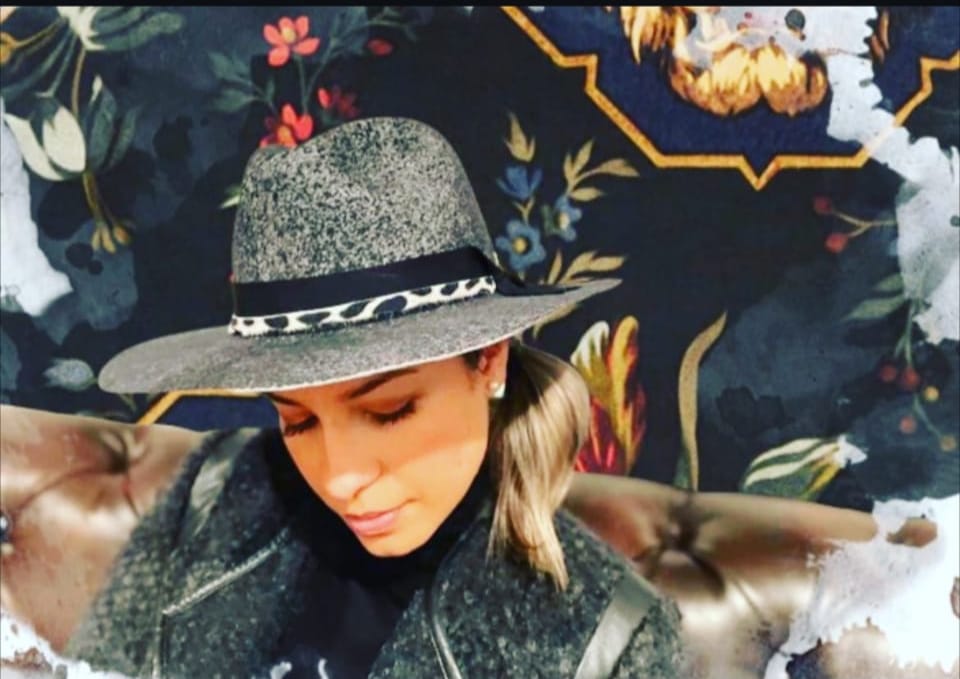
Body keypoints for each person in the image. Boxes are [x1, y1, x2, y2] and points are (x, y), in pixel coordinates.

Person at [63, 117, 684, 678]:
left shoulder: (610, 640)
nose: (340, 479)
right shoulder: (215, 486)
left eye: (389, 412)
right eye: (298, 420)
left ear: (489, 360)